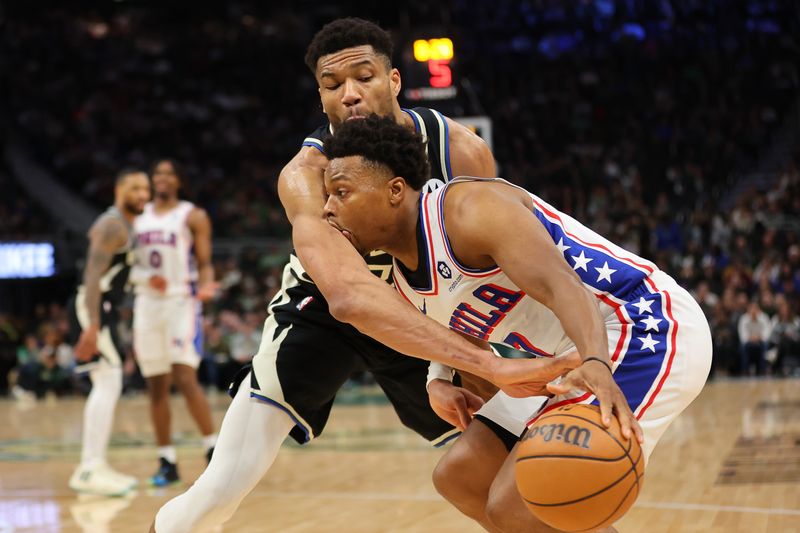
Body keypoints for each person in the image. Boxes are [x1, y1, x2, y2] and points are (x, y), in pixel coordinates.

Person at [151, 18, 577, 533]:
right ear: (320, 97)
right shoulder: (304, 177)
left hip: (426, 310)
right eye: (333, 85)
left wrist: (473, 365)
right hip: (324, 314)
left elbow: (491, 264)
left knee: (505, 478)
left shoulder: (458, 150)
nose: (350, 95)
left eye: (365, 77)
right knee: (219, 490)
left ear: (394, 81)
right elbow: (350, 295)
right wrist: (481, 362)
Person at [320, 115, 713, 532]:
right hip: (571, 355)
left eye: (341, 192)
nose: (328, 208)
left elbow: (563, 285)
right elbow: (458, 329)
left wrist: (596, 363)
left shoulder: (468, 210)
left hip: (643, 326)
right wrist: (439, 379)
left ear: (394, 190)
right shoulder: (402, 276)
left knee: (520, 502)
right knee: (461, 477)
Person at [132, 159, 219, 486]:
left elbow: (205, 262)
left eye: (169, 173)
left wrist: (207, 284)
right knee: (156, 384)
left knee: (184, 376)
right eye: (158, 174)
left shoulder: (192, 215)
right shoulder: (137, 217)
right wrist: (142, 277)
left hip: (180, 301)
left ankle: (212, 450)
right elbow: (130, 263)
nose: (162, 178)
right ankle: (166, 459)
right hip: (147, 303)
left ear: (179, 181)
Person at [67, 168, 150, 496]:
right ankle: (89, 468)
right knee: (107, 381)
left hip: (103, 310)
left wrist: (144, 280)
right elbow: (90, 277)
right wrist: (90, 326)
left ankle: (95, 465)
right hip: (92, 309)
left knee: (109, 382)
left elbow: (116, 275)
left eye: (145, 188)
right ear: (119, 190)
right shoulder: (111, 224)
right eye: (135, 188)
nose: (142, 194)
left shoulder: (127, 225)